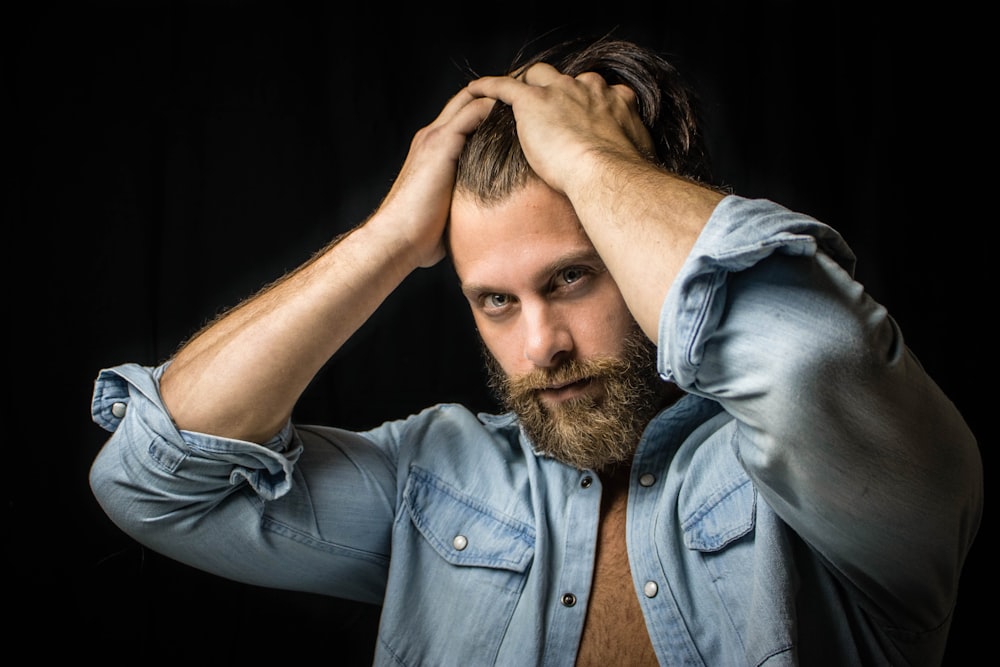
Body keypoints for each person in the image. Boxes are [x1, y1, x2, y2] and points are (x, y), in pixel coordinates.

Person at [88, 36, 982, 665]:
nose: (541, 345)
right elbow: (149, 480)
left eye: (572, 279)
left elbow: (803, 358)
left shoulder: (839, 468)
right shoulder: (433, 481)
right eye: (495, 300)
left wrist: (597, 166)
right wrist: (390, 239)